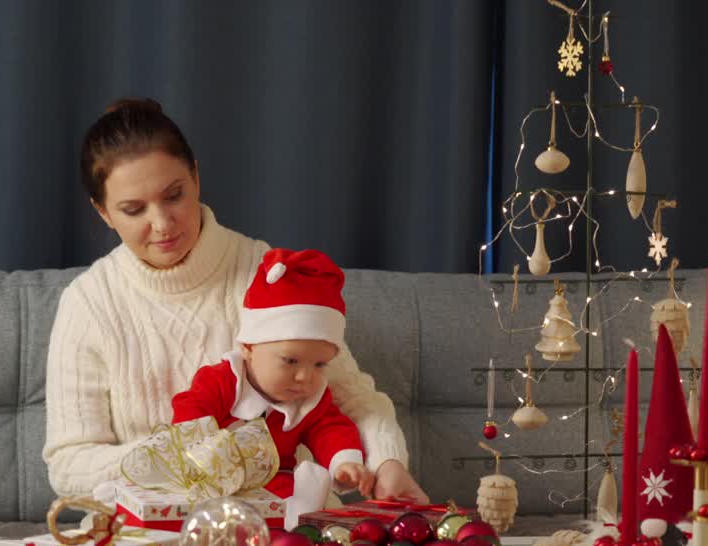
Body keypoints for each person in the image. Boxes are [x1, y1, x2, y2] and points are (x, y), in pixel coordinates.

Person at [44, 98, 428, 503]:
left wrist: (387, 464)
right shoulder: (88, 304)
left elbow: (352, 398)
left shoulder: (266, 271)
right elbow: (69, 465)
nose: (161, 224)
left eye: (174, 195)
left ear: (196, 176)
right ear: (103, 212)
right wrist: (185, 459)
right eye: (133, 210)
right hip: (150, 532)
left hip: (275, 521)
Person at [170, 247, 375, 500]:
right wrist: (196, 455)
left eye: (319, 365)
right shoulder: (222, 381)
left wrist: (344, 462)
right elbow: (190, 412)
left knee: (302, 504)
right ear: (247, 347)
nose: (304, 377)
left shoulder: (311, 400)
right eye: (290, 361)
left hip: (274, 481)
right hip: (211, 477)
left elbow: (330, 429)